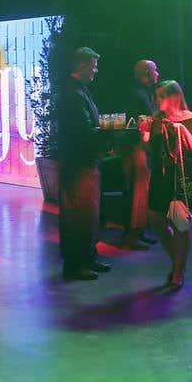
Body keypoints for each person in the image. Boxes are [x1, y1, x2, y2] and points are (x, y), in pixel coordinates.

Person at [56, 47, 112, 281]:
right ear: (81, 65)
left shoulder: (77, 91)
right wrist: (108, 135)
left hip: (84, 161)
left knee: (88, 213)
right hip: (78, 163)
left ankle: (87, 258)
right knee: (78, 214)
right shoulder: (72, 93)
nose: (95, 71)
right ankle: (75, 263)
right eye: (93, 65)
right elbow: (83, 131)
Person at [144, 81, 192, 290]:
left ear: (174, 97)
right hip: (161, 177)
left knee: (180, 223)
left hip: (182, 176)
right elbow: (150, 148)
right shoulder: (157, 121)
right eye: (156, 97)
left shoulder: (189, 118)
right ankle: (178, 261)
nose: (157, 100)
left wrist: (180, 129)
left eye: (161, 96)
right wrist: (146, 131)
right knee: (156, 219)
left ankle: (178, 270)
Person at [118, 59, 160, 250]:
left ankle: (137, 232)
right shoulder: (138, 95)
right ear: (147, 72)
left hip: (136, 148)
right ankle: (132, 235)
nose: (158, 73)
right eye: (155, 70)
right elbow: (140, 122)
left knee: (139, 191)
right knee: (138, 191)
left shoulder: (138, 92)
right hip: (137, 149)